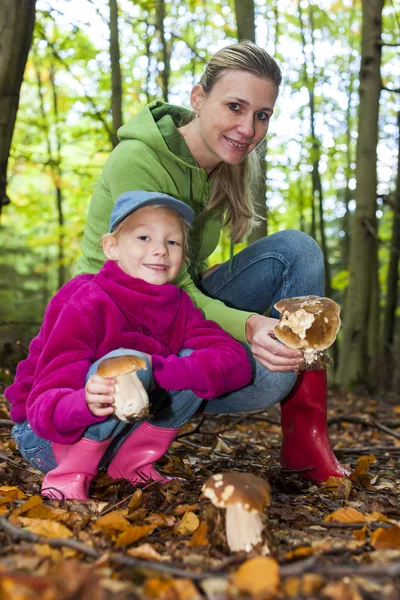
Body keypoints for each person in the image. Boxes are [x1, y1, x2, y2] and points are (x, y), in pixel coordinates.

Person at [74, 40, 346, 484]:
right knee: (264, 373)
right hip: (113, 328)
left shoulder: (223, 166)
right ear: (198, 98)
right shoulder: (138, 161)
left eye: (262, 115)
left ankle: (306, 436)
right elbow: (161, 288)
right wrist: (249, 325)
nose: (248, 128)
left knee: (297, 253)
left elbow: (180, 275)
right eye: (235, 106)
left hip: (170, 315)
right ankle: (118, 426)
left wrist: (204, 277)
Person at [5, 192, 253, 501]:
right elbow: (43, 403)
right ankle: (68, 477)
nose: (160, 250)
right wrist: (84, 403)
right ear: (112, 247)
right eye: (144, 237)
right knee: (125, 362)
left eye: (173, 242)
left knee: (190, 363)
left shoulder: (180, 306)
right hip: (49, 437)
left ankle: (133, 465)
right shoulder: (85, 298)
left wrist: (160, 370)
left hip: (114, 441)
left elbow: (236, 362)